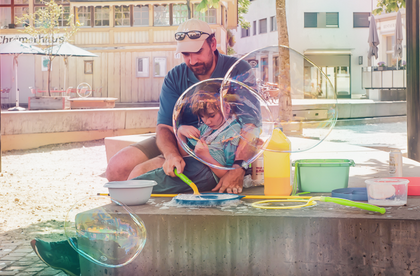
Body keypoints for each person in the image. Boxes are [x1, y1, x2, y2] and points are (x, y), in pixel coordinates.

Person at [30, 19, 255, 276]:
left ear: (213, 44)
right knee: (117, 168)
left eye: (198, 52)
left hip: (215, 151)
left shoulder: (238, 70)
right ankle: (108, 247)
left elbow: (252, 126)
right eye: (186, 54)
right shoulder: (175, 76)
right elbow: (164, 128)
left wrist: (240, 166)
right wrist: (170, 153)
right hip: (179, 140)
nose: (192, 61)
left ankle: (91, 248)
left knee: (139, 175)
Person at [177, 81, 242, 178]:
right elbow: (185, 155)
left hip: (206, 176)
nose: (207, 121)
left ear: (227, 107)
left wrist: (205, 156)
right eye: (202, 116)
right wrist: (180, 132)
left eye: (211, 115)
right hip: (192, 170)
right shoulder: (206, 128)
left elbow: (229, 176)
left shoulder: (233, 132)